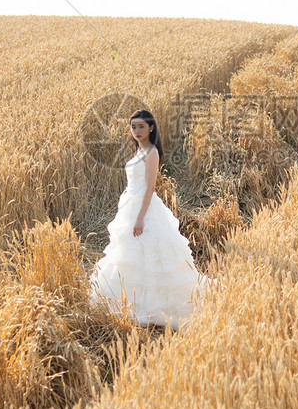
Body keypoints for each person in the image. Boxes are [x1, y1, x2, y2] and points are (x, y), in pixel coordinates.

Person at [88, 108, 211, 330]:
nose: (136, 131)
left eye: (141, 126)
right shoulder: (138, 151)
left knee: (151, 255)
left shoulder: (151, 152)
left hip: (143, 209)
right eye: (133, 127)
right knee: (128, 254)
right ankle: (129, 300)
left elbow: (150, 188)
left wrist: (140, 218)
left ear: (151, 128)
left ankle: (155, 305)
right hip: (130, 205)